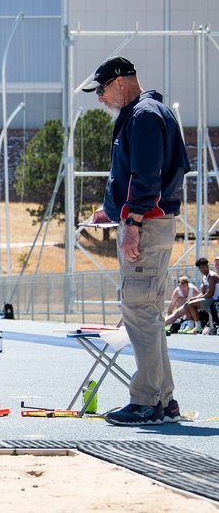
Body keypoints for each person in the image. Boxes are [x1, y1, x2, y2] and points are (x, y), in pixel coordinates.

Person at [84, 56, 190, 426]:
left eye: (101, 91)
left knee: (140, 312)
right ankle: (164, 399)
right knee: (150, 313)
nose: (100, 99)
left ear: (119, 83)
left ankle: (146, 401)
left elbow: (147, 175)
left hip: (146, 225)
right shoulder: (154, 111)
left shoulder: (143, 115)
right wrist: (112, 212)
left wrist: (133, 221)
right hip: (151, 222)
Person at [182, 257, 218, 334]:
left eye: (203, 267)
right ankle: (190, 326)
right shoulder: (205, 277)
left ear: (207, 266)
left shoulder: (212, 276)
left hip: (214, 300)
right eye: (200, 268)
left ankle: (198, 326)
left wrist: (196, 299)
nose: (202, 269)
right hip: (209, 298)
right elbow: (204, 293)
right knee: (186, 304)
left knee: (191, 304)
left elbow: (210, 294)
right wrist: (194, 298)